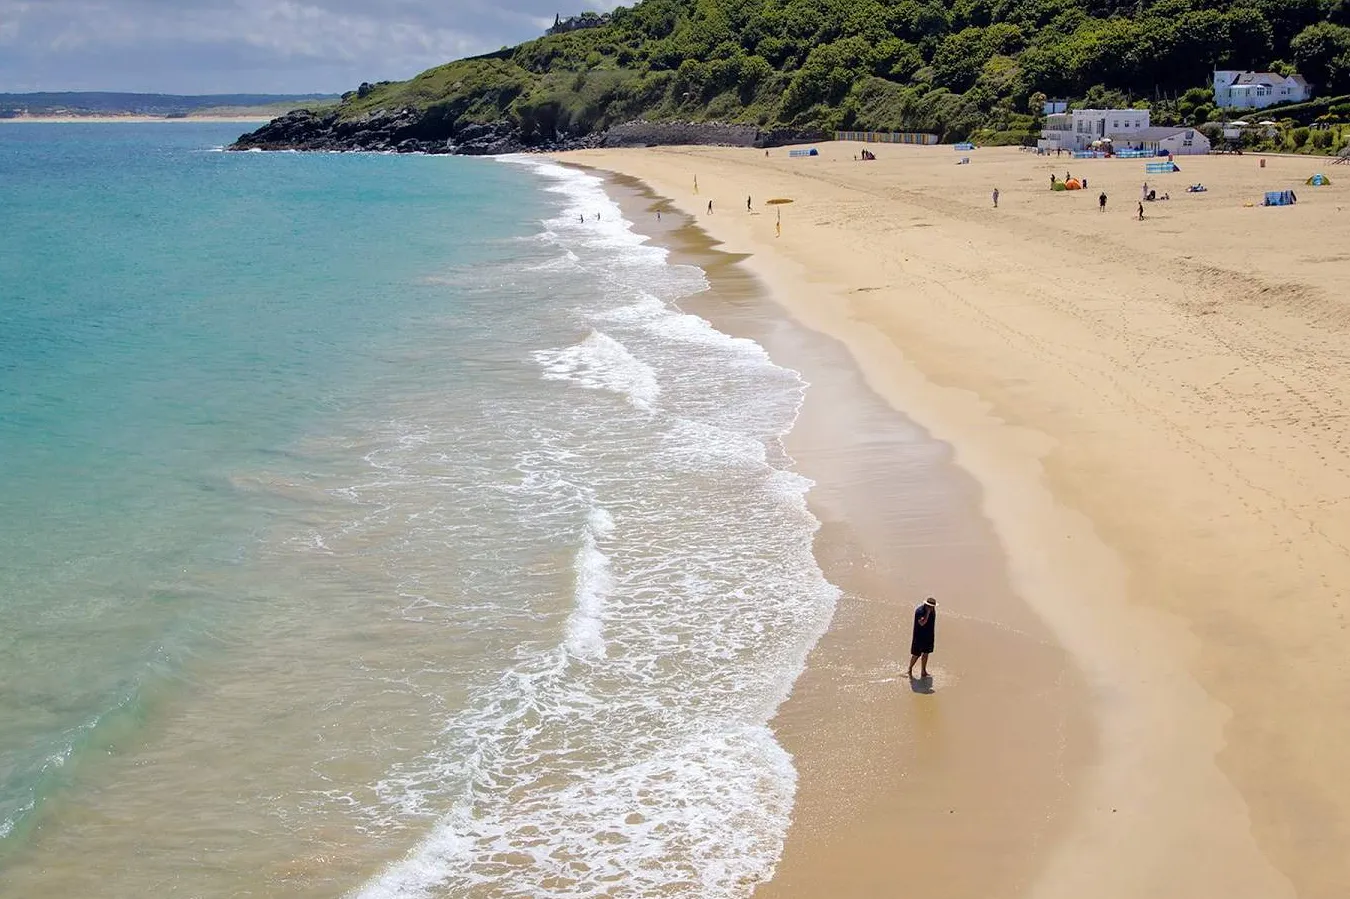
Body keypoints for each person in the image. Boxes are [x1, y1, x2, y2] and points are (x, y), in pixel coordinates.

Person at [909, 597, 938, 679]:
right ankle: (909, 669)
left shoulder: (933, 610)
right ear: (927, 605)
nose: (932, 608)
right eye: (931, 607)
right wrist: (927, 613)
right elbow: (922, 623)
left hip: (929, 636)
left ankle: (923, 671)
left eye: (933, 607)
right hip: (919, 636)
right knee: (916, 654)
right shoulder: (919, 611)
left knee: (926, 653)